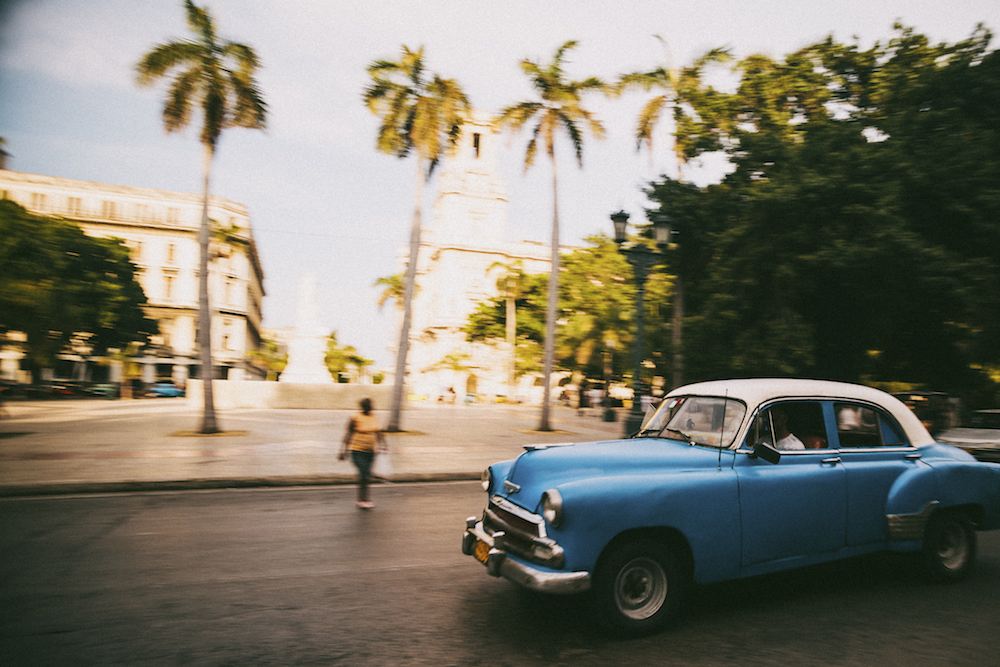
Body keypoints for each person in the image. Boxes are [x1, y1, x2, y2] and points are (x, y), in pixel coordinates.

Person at [338, 397, 386, 509]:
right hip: (357, 450)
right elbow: (348, 434)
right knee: (364, 473)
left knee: (365, 476)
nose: (370, 409)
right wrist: (343, 451)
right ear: (363, 407)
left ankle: (365, 499)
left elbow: (378, 432)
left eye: (370, 407)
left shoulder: (374, 417)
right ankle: (362, 500)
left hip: (371, 451)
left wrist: (383, 445)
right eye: (367, 407)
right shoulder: (354, 418)